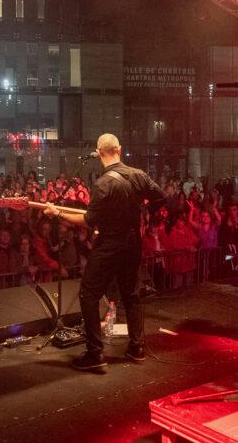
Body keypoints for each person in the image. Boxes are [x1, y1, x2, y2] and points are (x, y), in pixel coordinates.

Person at [45, 133, 165, 371]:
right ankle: (137, 348)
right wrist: (145, 215)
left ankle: (95, 354)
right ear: (119, 149)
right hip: (133, 244)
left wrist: (57, 213)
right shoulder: (139, 175)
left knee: (88, 294)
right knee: (131, 294)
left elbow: (88, 221)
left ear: (99, 153)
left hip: (109, 244)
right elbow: (160, 197)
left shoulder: (102, 184)